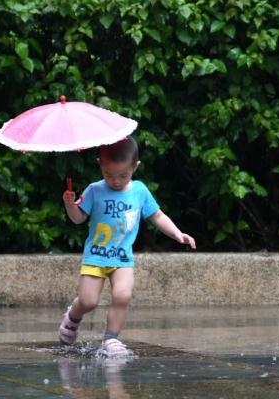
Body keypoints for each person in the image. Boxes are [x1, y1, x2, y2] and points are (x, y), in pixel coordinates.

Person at [59, 136, 196, 357]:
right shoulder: (94, 190)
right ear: (100, 165)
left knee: (123, 295)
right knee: (88, 301)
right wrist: (69, 204)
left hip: (122, 258)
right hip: (96, 256)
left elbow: (157, 215)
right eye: (108, 175)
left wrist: (177, 233)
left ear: (135, 167)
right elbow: (78, 218)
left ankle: (111, 339)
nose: (115, 181)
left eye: (123, 175)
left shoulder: (140, 191)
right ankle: (73, 317)